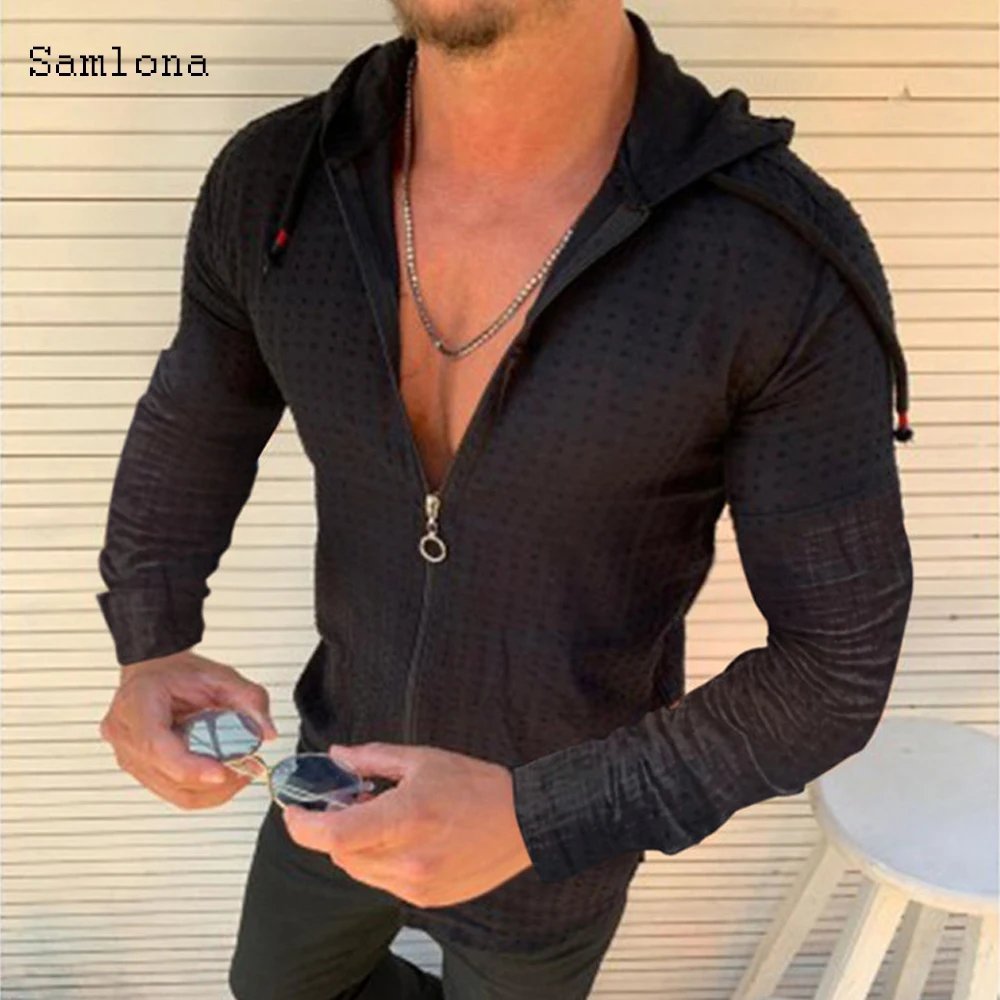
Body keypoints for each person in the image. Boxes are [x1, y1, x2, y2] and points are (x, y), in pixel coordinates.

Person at [96, 2, 915, 998]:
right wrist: (150, 638)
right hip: (331, 772)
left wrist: (544, 817)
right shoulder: (278, 181)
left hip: (556, 847)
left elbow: (834, 666)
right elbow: (198, 419)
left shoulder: (771, 254)